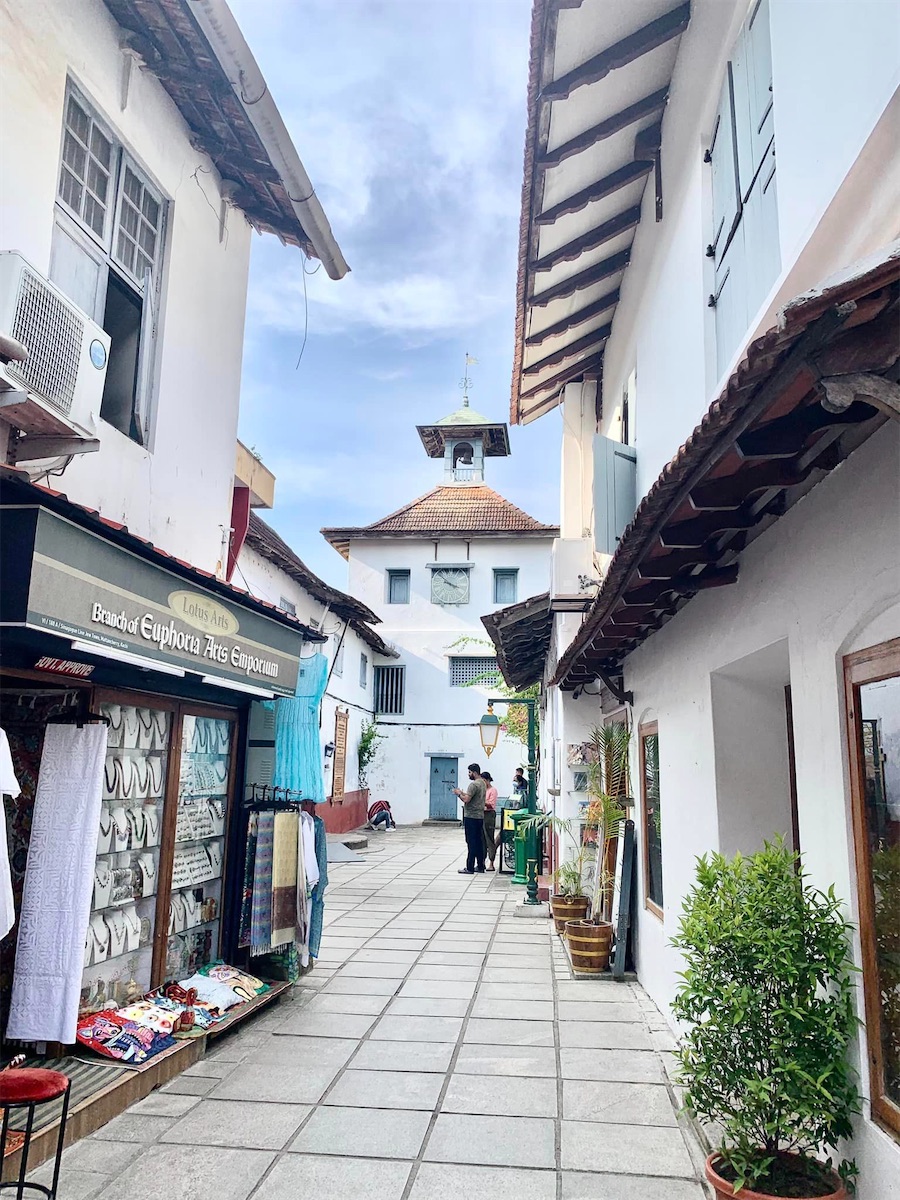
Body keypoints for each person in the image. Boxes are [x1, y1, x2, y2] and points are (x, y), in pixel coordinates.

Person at [453, 763, 486, 873]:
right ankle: (481, 865)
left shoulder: (473, 784)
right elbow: (472, 796)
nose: (468, 774)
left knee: (471, 841)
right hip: (480, 816)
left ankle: (470, 867)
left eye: (470, 772)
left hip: (471, 816)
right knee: (479, 842)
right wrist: (462, 792)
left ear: (475, 772)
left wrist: (458, 794)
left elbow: (467, 799)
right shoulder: (482, 783)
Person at [481, 771, 498, 871]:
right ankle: (481, 861)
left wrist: (482, 801)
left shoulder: (493, 790)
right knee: (481, 839)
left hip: (489, 814)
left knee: (489, 839)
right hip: (481, 814)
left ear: (488, 780)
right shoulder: (482, 790)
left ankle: (491, 862)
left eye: (484, 781)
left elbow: (491, 804)